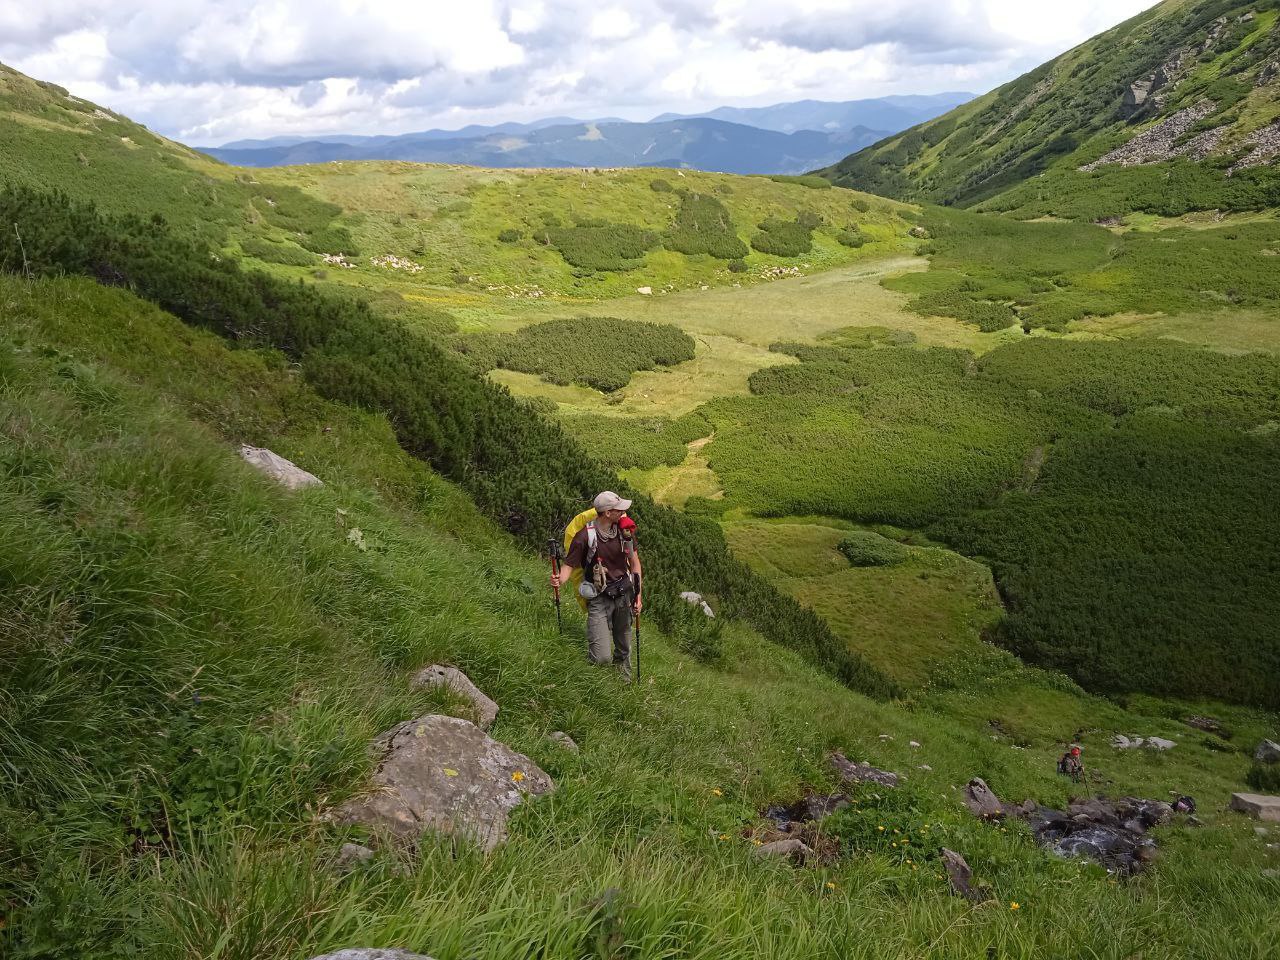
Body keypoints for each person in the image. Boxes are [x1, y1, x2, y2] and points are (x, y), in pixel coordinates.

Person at [551, 491, 643, 681]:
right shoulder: (584, 536)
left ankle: (623, 684)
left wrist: (638, 597)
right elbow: (569, 565)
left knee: (624, 647)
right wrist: (560, 579)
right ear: (607, 513)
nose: (623, 512)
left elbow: (635, 564)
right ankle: (594, 680)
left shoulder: (624, 532)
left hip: (623, 594)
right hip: (598, 597)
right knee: (602, 657)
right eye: (619, 509)